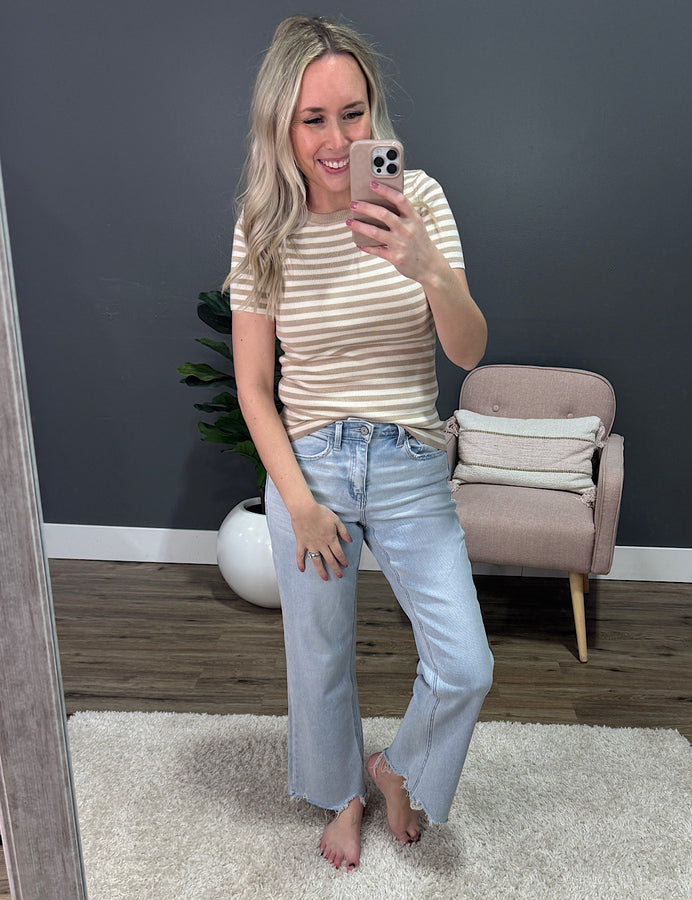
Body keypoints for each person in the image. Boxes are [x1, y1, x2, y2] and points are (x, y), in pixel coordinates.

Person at [225, 14, 494, 872]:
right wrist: (298, 502)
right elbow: (253, 387)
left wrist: (428, 267)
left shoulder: (422, 202)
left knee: (466, 664)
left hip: (410, 459)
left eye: (353, 113)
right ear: (282, 125)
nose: (338, 140)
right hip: (312, 466)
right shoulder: (263, 226)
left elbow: (469, 351)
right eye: (314, 119)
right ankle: (342, 792)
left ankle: (395, 768)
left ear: (374, 111)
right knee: (320, 658)